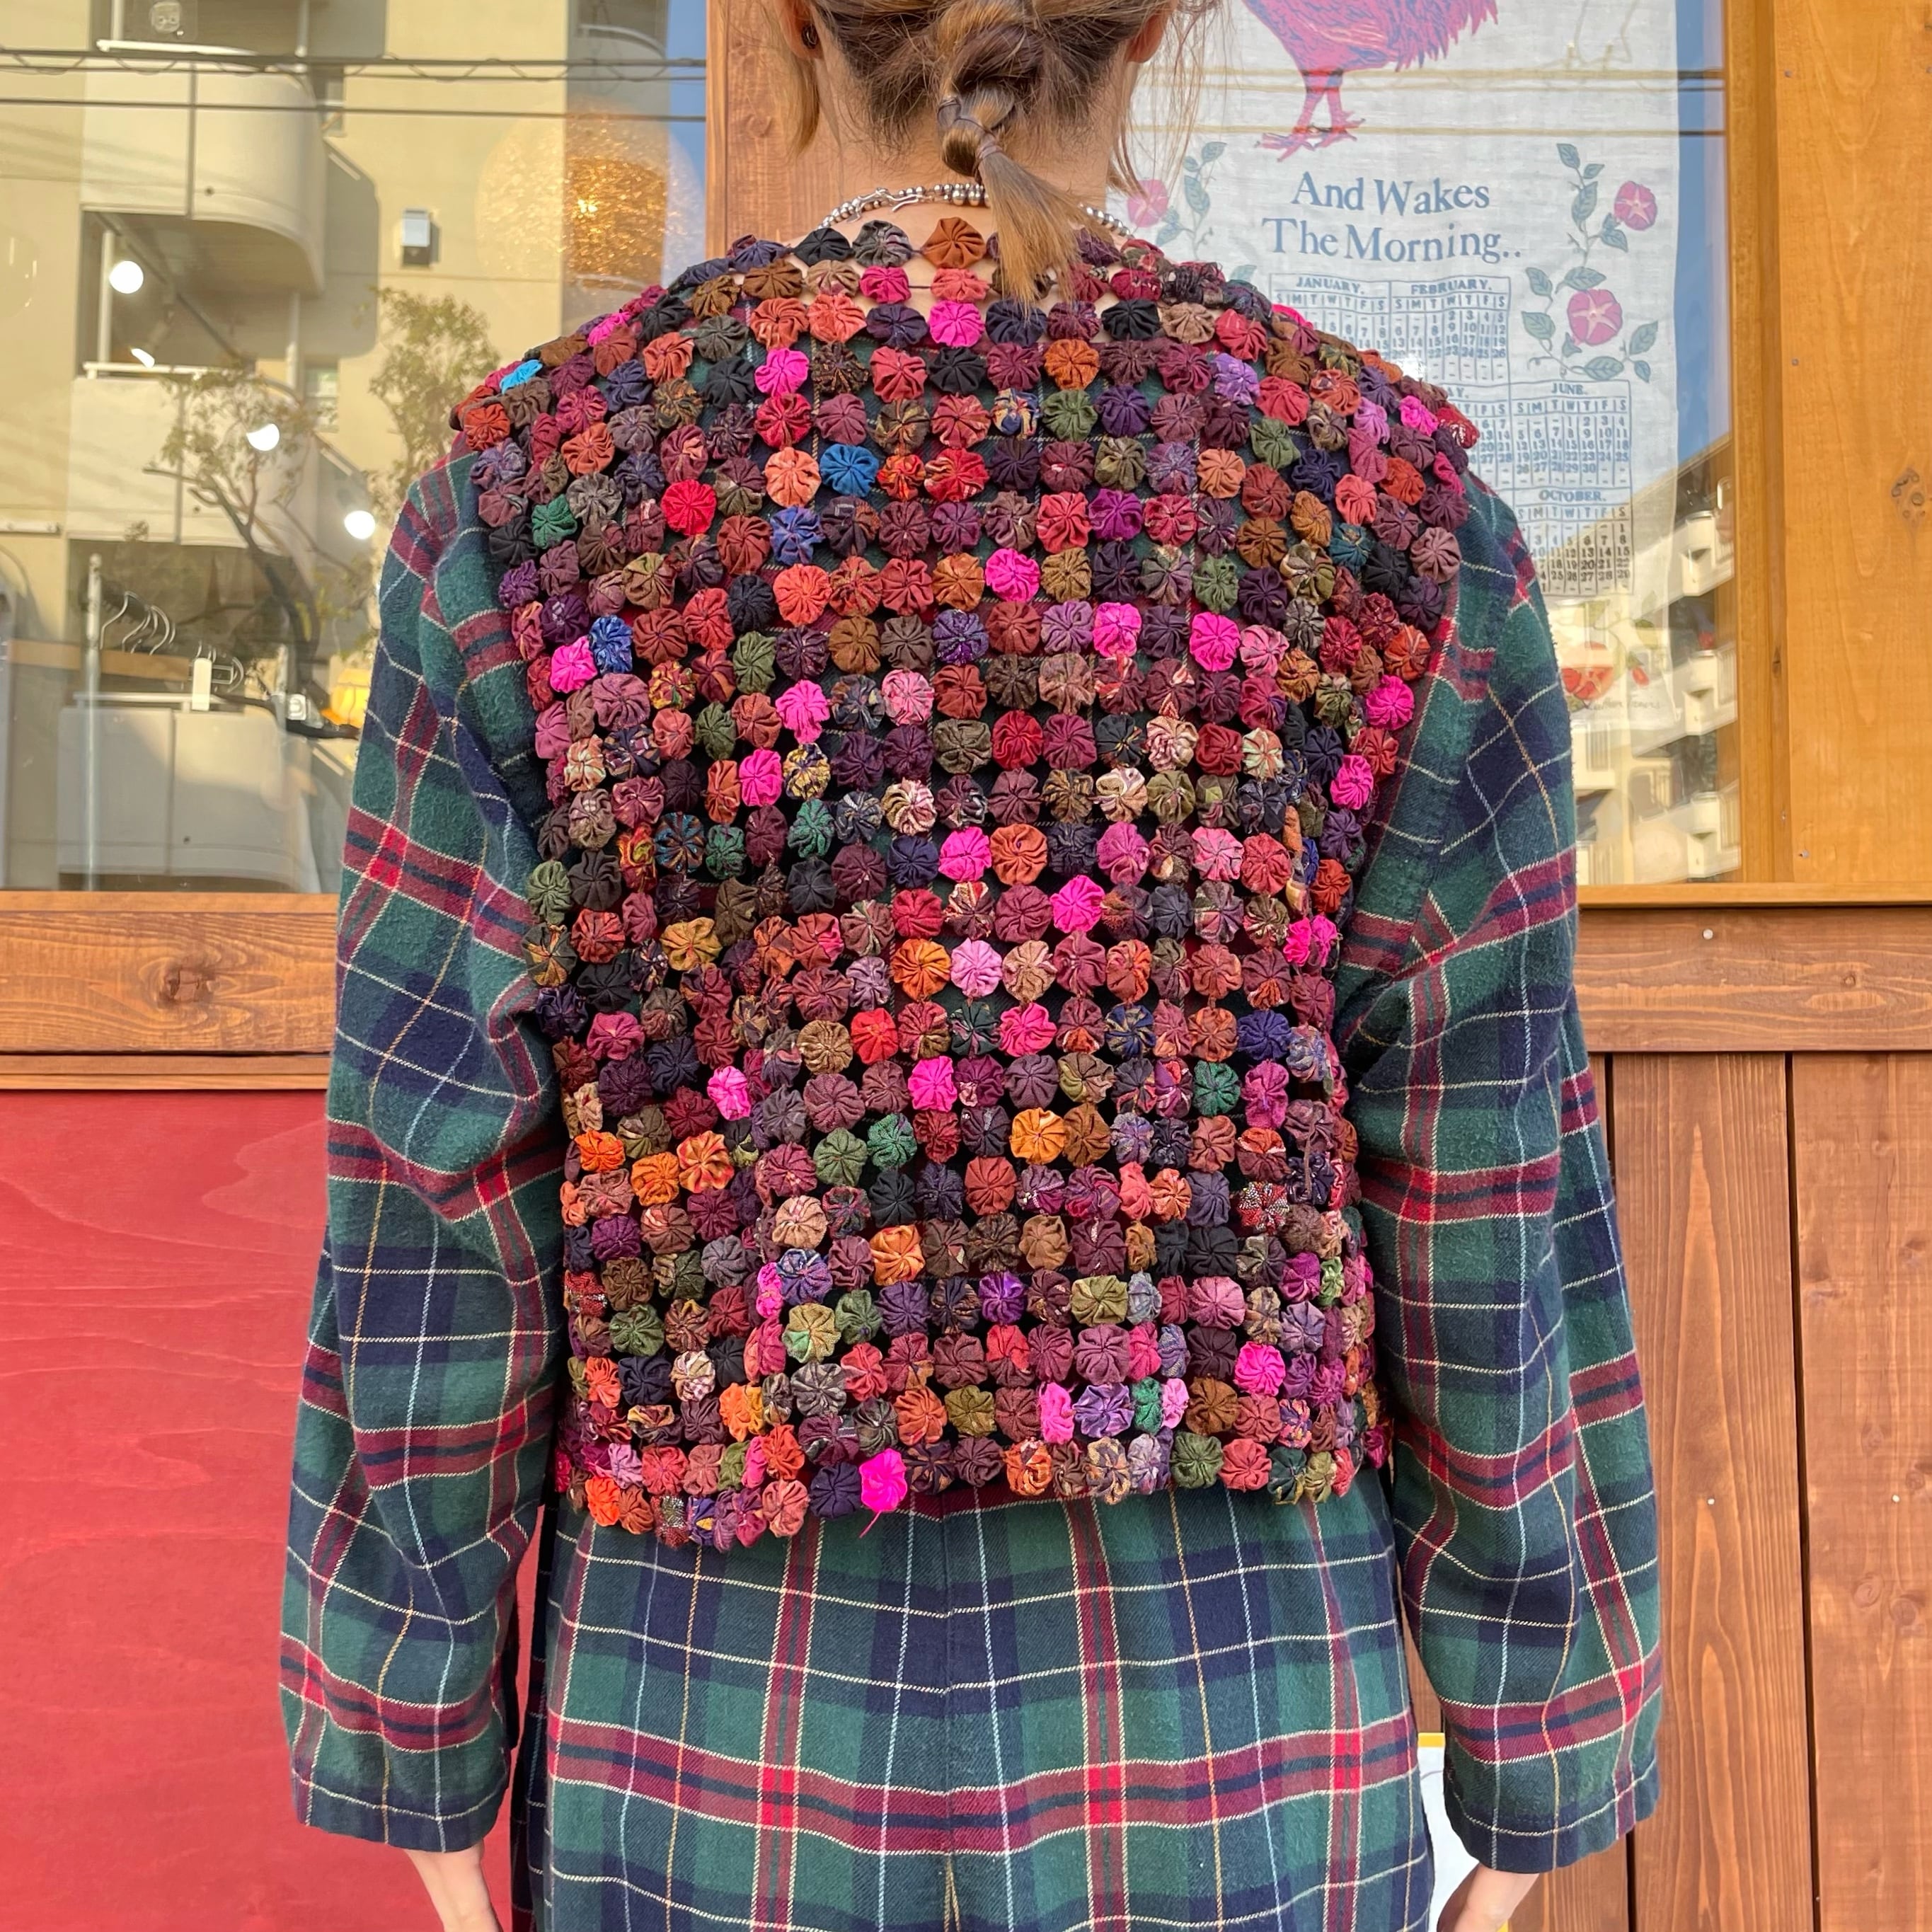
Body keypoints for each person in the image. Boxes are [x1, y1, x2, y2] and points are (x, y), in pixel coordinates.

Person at [280, 1, 1662, 1926]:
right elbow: (1487, 1183)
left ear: (784, 26)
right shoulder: (1378, 512)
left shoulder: (527, 508)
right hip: (1232, 1715)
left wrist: (414, 1737)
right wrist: (1536, 1742)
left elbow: (435, 1176)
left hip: (703, 1716)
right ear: (1155, 26)